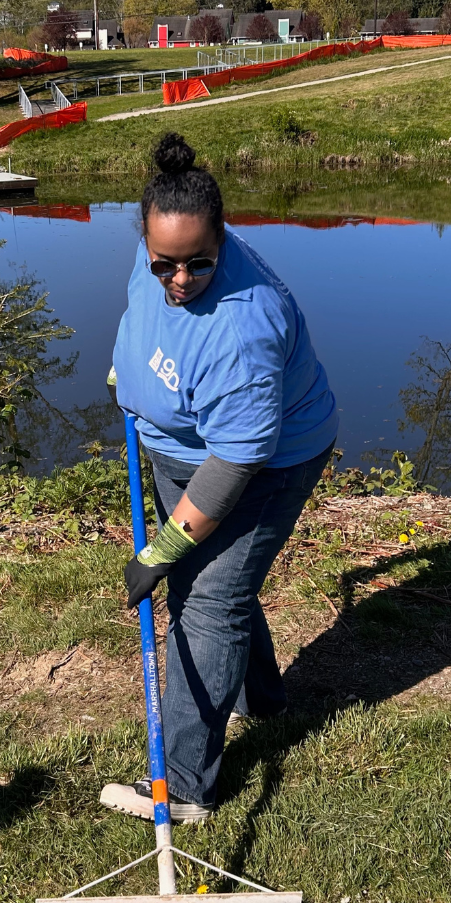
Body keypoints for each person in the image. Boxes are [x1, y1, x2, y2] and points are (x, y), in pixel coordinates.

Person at [100, 132, 338, 824]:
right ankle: (261, 701)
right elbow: (144, 311)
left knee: (203, 600)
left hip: (263, 464)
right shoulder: (161, 251)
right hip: (178, 445)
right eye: (164, 264)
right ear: (148, 242)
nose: (179, 280)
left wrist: (162, 552)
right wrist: (130, 367)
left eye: (198, 264)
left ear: (223, 238)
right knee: (221, 585)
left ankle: (184, 787)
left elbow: (235, 462)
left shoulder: (242, 332)